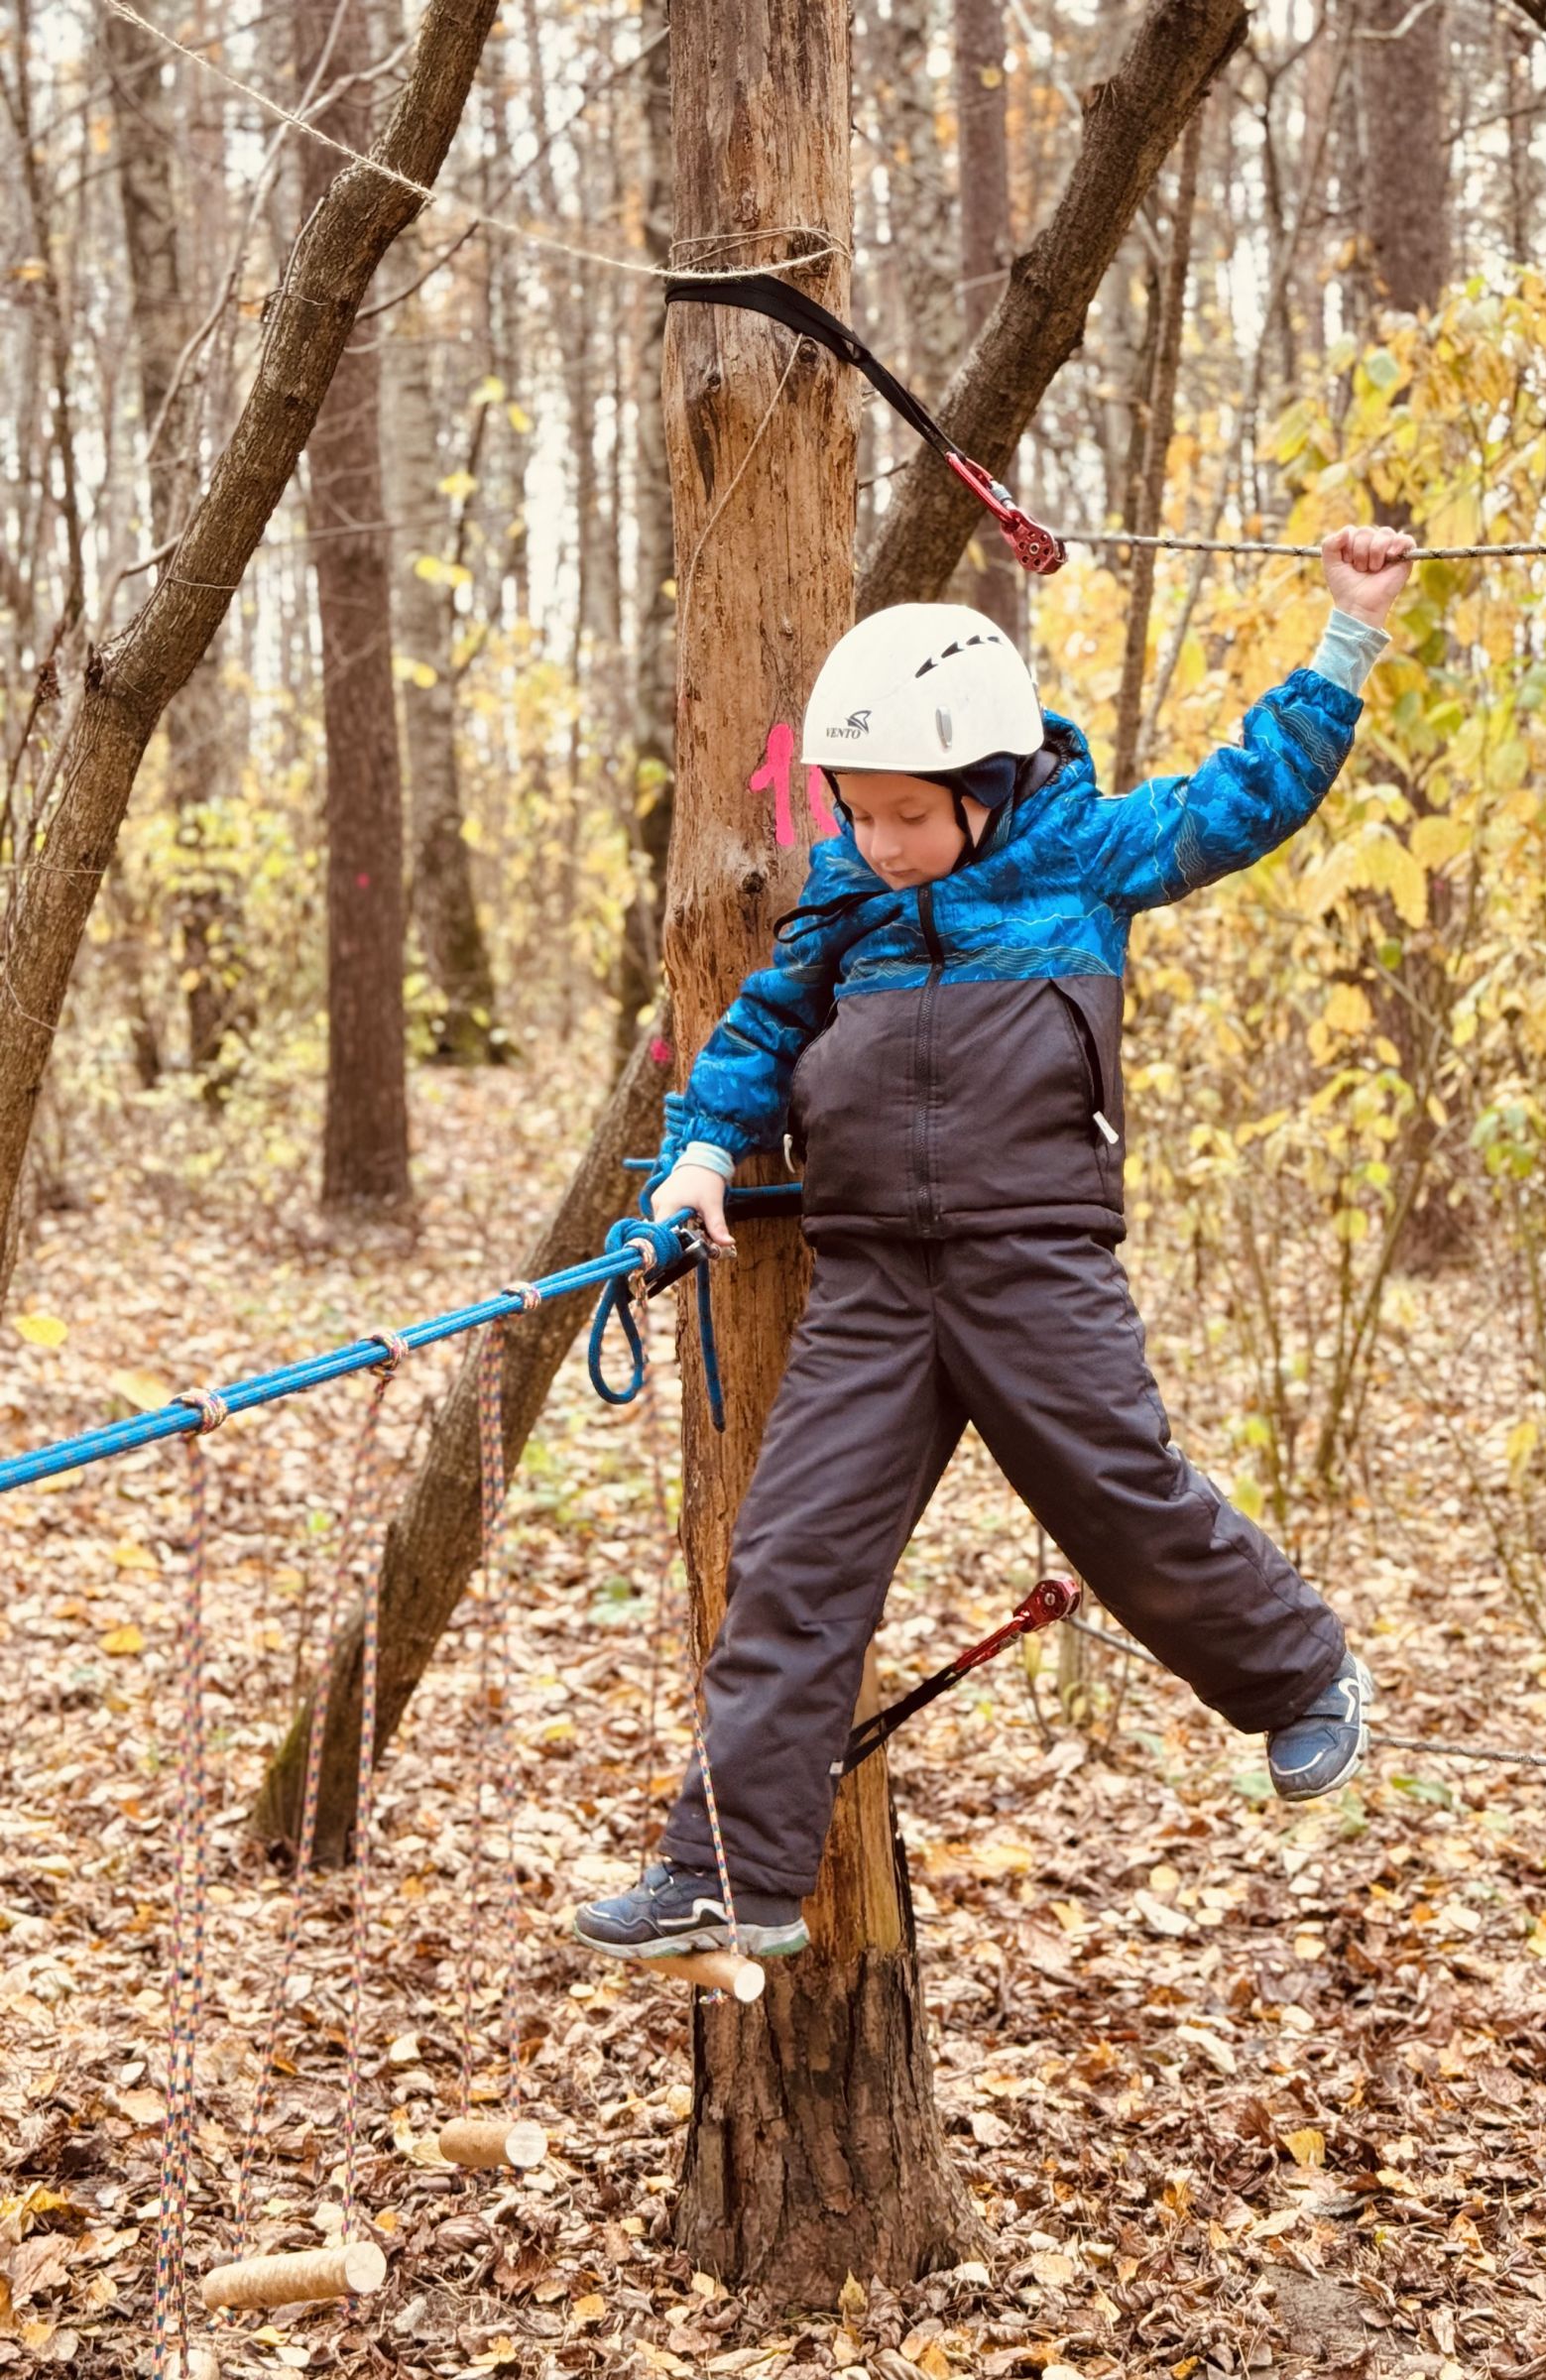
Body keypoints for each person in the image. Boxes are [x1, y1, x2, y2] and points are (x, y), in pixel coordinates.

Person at [576, 524, 1416, 1964]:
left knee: (1119, 1494)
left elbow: (1248, 795)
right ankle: (732, 1872)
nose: (880, 846)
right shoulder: (850, 897)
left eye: (908, 816)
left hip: (1034, 1263)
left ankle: (1300, 1676)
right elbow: (763, 1030)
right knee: (794, 1558)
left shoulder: (1083, 858)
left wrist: (1347, 637)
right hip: (872, 1284)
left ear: (984, 787)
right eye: (857, 814)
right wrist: (700, 1153)